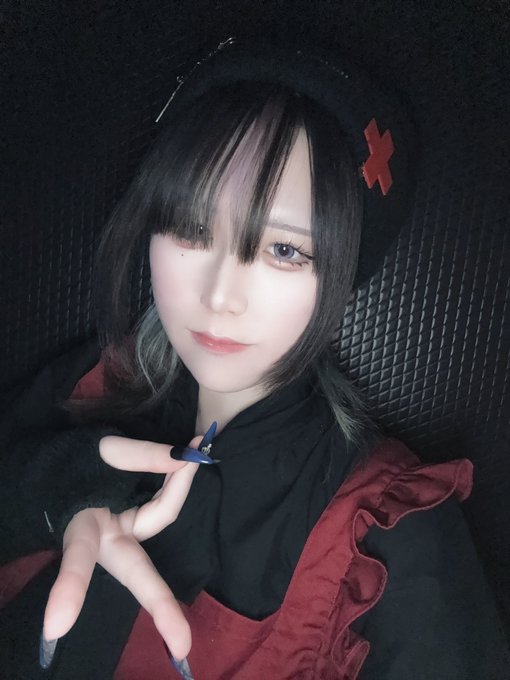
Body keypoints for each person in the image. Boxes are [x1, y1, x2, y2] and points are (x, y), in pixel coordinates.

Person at [1, 37, 509, 680]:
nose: (220, 296)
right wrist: (44, 494)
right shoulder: (84, 386)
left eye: (285, 251)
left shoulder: (390, 536)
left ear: (341, 275)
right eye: (192, 228)